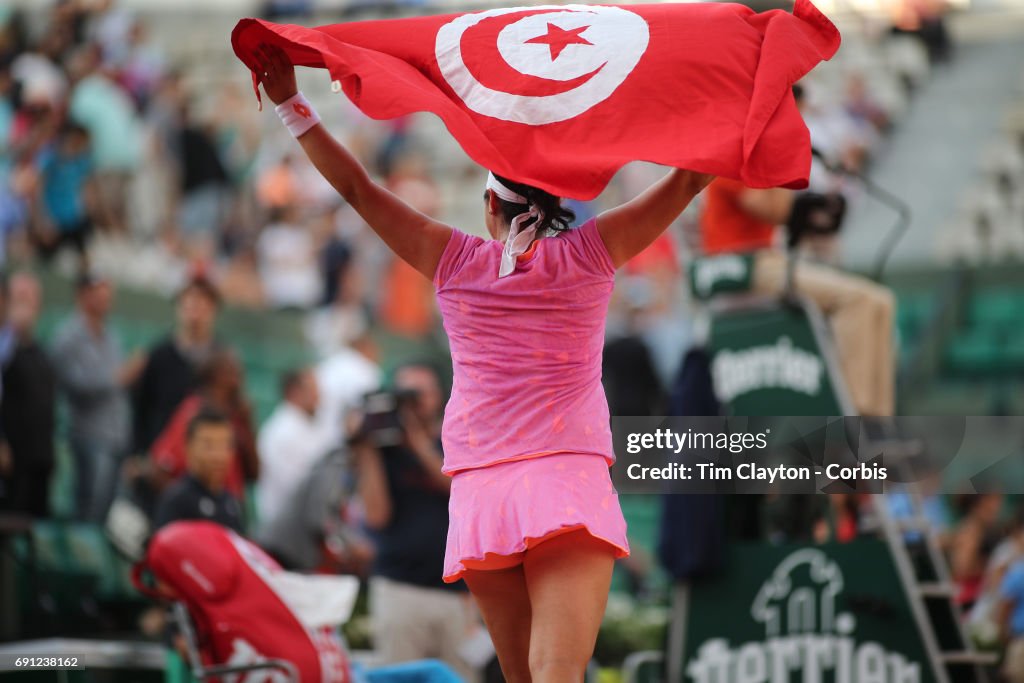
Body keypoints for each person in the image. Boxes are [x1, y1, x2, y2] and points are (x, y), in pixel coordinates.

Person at [254, 43, 713, 682]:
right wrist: (725, 94)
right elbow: (690, 178)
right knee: (558, 674)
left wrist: (290, 105)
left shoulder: (453, 259)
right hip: (566, 483)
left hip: (483, 491)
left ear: (490, 207)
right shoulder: (591, 253)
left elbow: (358, 189)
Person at [699, 175, 896, 416]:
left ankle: (880, 418)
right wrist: (795, 184)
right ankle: (858, 415)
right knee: (856, 301)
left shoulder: (757, 167)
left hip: (768, 261)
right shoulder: (730, 167)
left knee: (881, 301)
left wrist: (823, 207)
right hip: (741, 266)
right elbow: (776, 210)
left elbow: (796, 218)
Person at [353, 363, 479, 681]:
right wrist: (365, 449)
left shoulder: (460, 437)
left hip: (458, 594)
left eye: (420, 393)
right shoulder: (385, 451)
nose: (413, 403)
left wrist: (418, 445)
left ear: (439, 396)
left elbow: (462, 491)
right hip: (399, 588)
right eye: (405, 394)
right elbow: (376, 516)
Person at [51, 273, 138, 522]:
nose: (105, 297)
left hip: (116, 435)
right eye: (98, 291)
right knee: (89, 508)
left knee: (108, 511)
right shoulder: (68, 336)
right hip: (89, 435)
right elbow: (74, 384)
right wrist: (119, 377)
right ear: (83, 295)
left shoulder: (111, 333)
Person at [132, 272, 222, 457]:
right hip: (161, 458)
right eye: (189, 301)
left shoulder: (223, 359)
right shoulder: (160, 354)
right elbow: (141, 407)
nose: (195, 308)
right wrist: (136, 454)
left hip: (205, 458)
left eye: (202, 302)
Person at [149, 349, 259, 502]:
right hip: (200, 516)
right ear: (213, 376)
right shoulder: (193, 412)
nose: (237, 380)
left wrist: (247, 424)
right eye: (231, 372)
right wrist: (194, 504)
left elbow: (255, 474)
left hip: (229, 508)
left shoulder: (236, 415)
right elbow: (160, 470)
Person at [0, 272, 56, 517]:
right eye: (20, 299)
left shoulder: (40, 352)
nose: (27, 307)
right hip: (11, 459)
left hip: (38, 458)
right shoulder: (6, 346)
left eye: (32, 300)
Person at [256, 367, 332, 529]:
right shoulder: (281, 432)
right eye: (313, 390)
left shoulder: (309, 424)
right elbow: (295, 488)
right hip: (284, 530)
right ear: (294, 392)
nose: (319, 396)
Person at [153, 407, 243, 534]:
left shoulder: (231, 503)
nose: (218, 456)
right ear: (188, 448)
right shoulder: (177, 501)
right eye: (208, 446)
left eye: (225, 445)